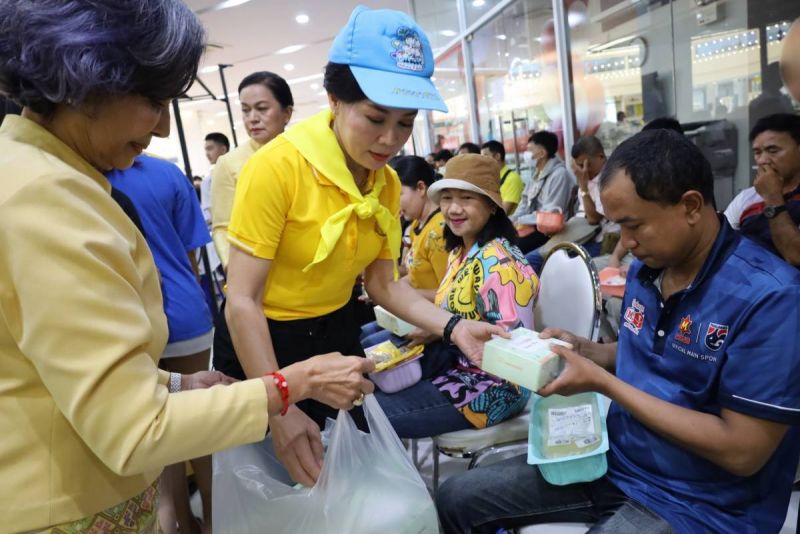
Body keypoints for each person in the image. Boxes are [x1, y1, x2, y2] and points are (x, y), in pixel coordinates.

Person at [0, 2, 374, 532]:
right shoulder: (44, 197)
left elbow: (60, 363)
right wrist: (293, 385)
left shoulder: (39, 176)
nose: (157, 130)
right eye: (153, 102)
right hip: (63, 503)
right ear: (85, 81)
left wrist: (173, 387)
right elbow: (134, 428)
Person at [436, 129, 800, 534]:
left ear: (691, 206)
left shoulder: (771, 298)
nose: (624, 243)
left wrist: (605, 384)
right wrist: (587, 351)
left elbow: (742, 451)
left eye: (633, 226)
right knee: (455, 498)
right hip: (614, 463)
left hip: (700, 503)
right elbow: (643, 350)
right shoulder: (649, 268)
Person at [214, 5, 505, 488]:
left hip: (335, 335)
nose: (390, 139)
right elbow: (241, 299)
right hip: (266, 346)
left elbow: (383, 283)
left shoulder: (385, 184)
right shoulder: (278, 168)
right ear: (334, 100)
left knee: (347, 483)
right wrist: (277, 401)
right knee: (283, 488)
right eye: (374, 118)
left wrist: (453, 328)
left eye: (405, 122)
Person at [375, 154, 537, 438]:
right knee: (369, 392)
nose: (453, 209)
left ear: (491, 205)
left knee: (375, 416)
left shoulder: (502, 264)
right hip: (457, 367)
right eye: (447, 198)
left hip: (494, 388)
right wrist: (438, 331)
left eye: (466, 198)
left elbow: (514, 349)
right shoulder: (459, 252)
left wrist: (443, 333)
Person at [106, 154, 215, 534]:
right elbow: (190, 255)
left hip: (124, 321)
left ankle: (176, 522)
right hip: (184, 314)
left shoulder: (78, 174)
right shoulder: (167, 174)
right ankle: (218, 518)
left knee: (157, 430)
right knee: (201, 425)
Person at [360, 155, 449, 348]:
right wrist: (387, 289)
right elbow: (415, 273)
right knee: (362, 336)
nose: (392, 204)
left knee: (365, 345)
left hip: (432, 321)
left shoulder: (438, 231)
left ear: (421, 188)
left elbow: (450, 294)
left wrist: (401, 293)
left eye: (397, 195)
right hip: (415, 311)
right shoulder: (417, 225)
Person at [211, 71, 293, 270]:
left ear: (287, 113)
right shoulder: (229, 163)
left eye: (262, 109)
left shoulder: (306, 154)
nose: (252, 118)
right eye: (246, 110)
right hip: (260, 273)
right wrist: (234, 268)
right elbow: (223, 227)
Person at [724, 113, 800, 266]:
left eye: (773, 150)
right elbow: (720, 243)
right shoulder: (747, 198)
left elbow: (795, 256)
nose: (763, 160)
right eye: (758, 153)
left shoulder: (768, 195)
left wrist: (772, 198)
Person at [511, 130, 576, 253]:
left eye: (530, 150)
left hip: (549, 232)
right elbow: (524, 202)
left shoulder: (559, 175)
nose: (526, 154)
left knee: (514, 250)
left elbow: (550, 214)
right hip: (531, 226)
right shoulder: (536, 174)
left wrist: (521, 220)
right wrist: (513, 220)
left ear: (542, 153)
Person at [481, 140, 524, 215]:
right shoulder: (490, 178)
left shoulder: (512, 179)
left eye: (485, 156)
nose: (482, 160)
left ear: (497, 156)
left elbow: (504, 212)